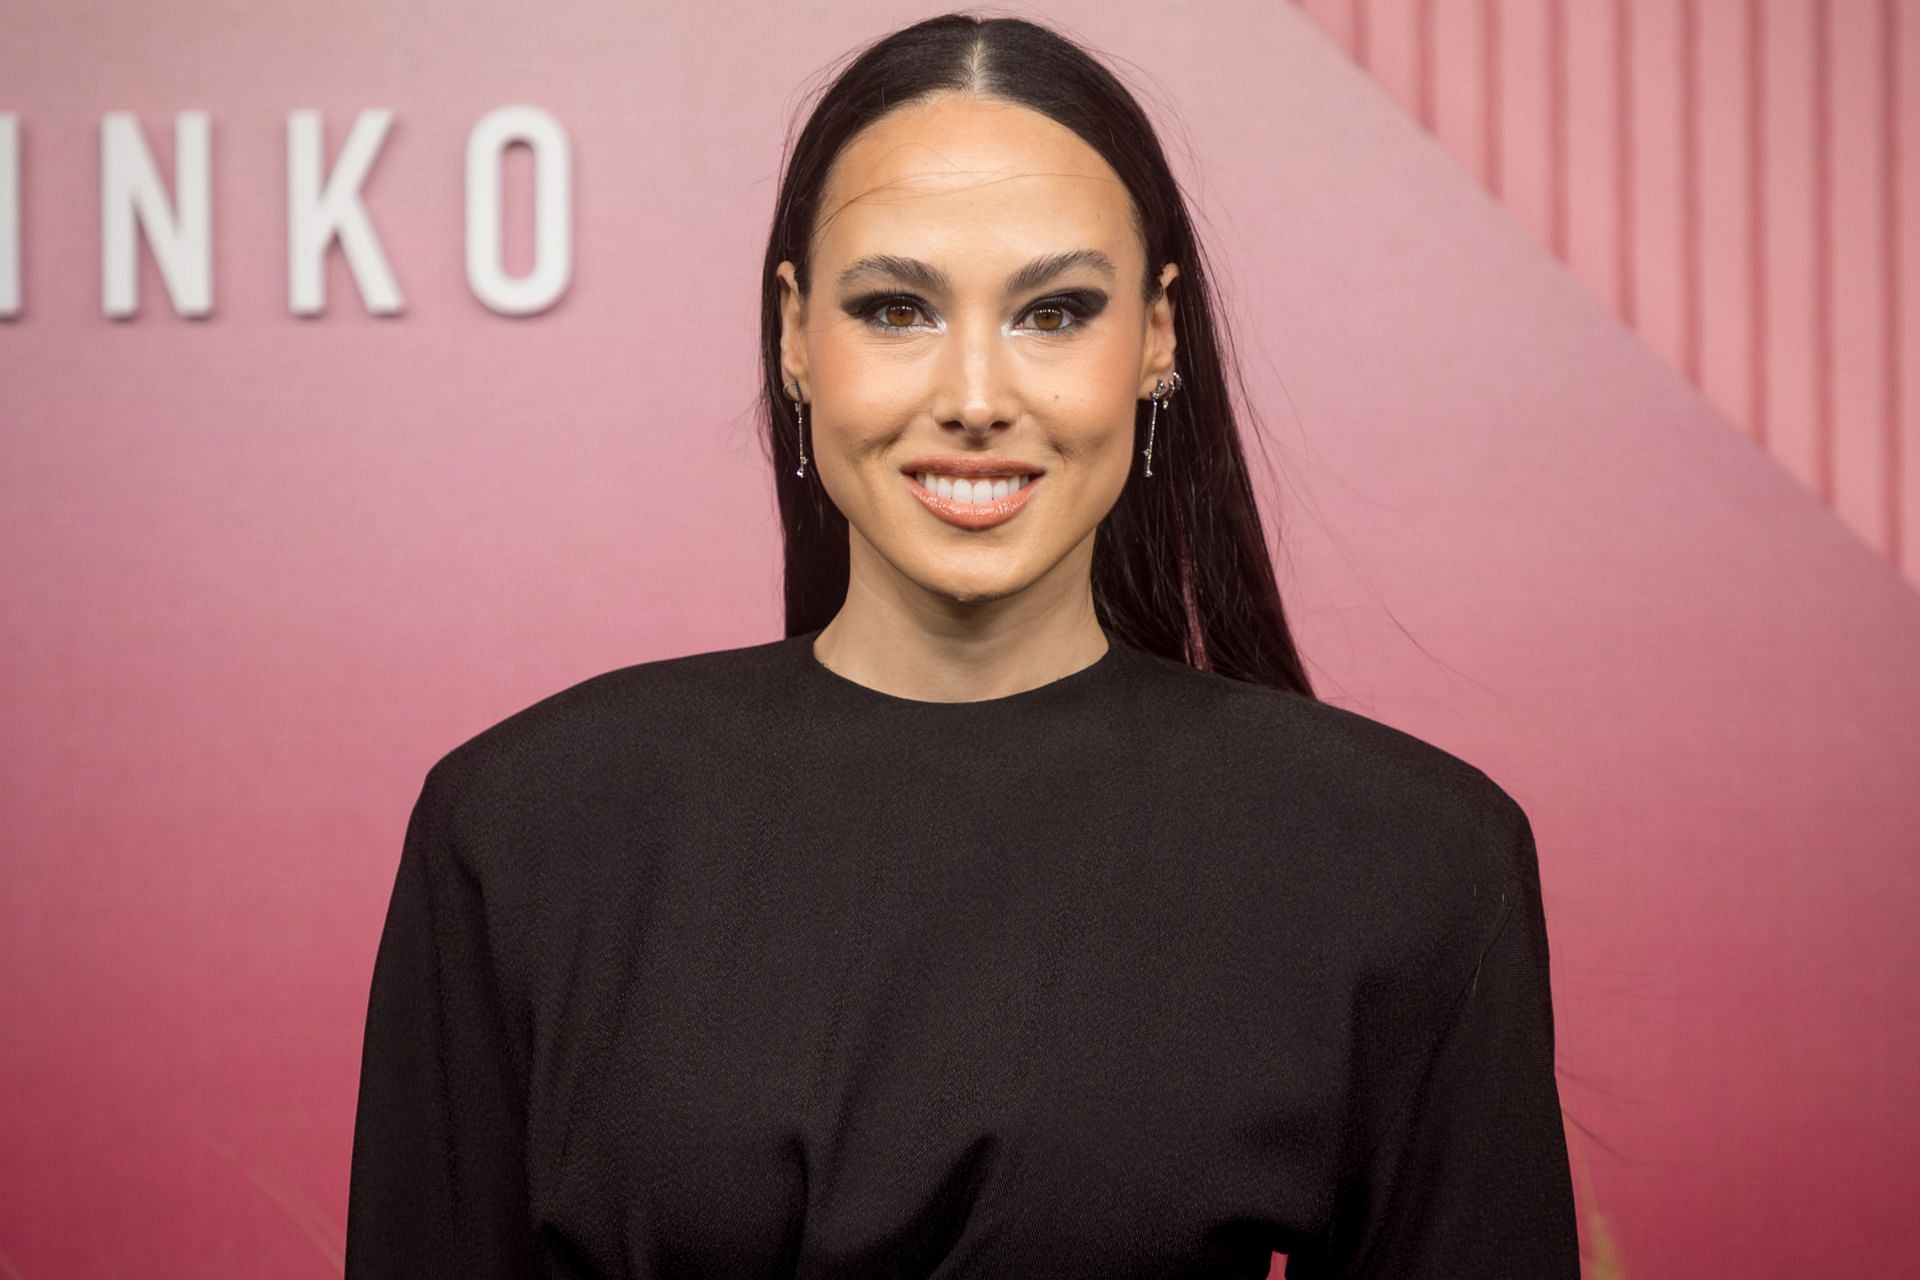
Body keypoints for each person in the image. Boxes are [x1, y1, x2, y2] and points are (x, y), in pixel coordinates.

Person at [344, 12, 1580, 1278]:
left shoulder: (1411, 858)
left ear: (1156, 337)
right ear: (793, 334)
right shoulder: (526, 828)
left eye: (1054, 312)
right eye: (894, 308)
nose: (978, 396)